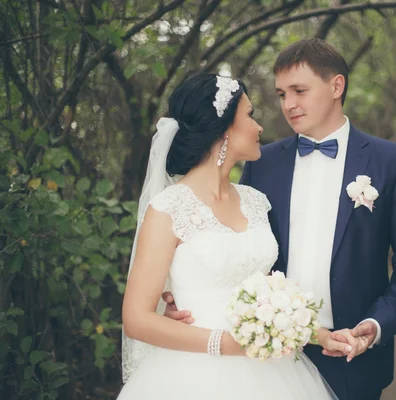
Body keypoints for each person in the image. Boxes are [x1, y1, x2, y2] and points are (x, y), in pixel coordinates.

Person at [165, 39, 396, 400]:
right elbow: (231, 245)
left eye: (299, 91)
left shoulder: (390, 162)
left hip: (355, 357)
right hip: (269, 357)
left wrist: (375, 325)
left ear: (336, 86)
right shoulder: (263, 164)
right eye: (280, 94)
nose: (288, 104)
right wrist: (183, 298)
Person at [118, 73, 341, 399]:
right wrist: (223, 344)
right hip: (193, 375)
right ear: (222, 129)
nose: (259, 127)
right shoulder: (168, 209)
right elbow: (136, 319)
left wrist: (319, 334)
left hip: (275, 374)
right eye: (249, 115)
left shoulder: (255, 201)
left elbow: (267, 302)